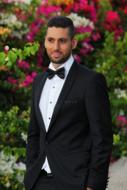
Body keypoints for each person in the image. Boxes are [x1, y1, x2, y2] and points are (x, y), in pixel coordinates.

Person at [24, 16, 113, 190]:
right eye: (51, 40)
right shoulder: (39, 81)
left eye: (62, 41)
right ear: (45, 41)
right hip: (39, 181)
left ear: (73, 43)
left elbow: (102, 138)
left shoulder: (91, 81)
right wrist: (31, 169)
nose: (55, 47)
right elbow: (34, 133)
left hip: (75, 181)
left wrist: (93, 185)